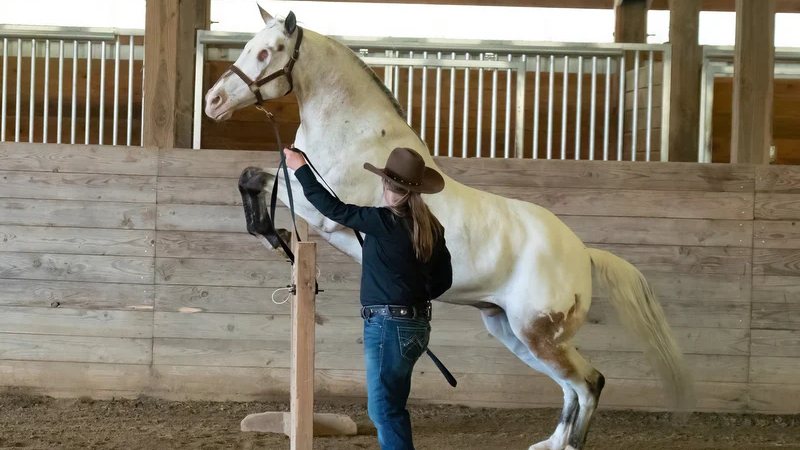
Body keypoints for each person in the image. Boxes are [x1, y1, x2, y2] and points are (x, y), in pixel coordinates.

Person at [284, 146, 453, 450]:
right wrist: (410, 296)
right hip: (416, 326)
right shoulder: (431, 227)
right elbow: (444, 281)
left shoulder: (382, 221)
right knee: (393, 407)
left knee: (384, 411)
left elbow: (331, 208)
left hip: (387, 327)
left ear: (387, 185)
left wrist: (300, 168)